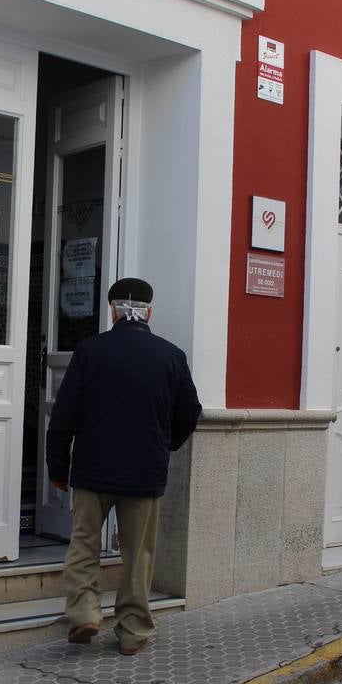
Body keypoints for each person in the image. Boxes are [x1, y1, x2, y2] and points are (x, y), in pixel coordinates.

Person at [46, 277, 202, 656]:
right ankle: (132, 631)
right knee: (138, 554)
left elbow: (63, 417)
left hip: (92, 468)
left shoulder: (89, 352)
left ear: (113, 311)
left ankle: (84, 611)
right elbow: (190, 412)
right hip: (143, 471)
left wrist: (58, 469)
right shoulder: (171, 356)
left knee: (84, 544)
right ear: (148, 312)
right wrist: (166, 445)